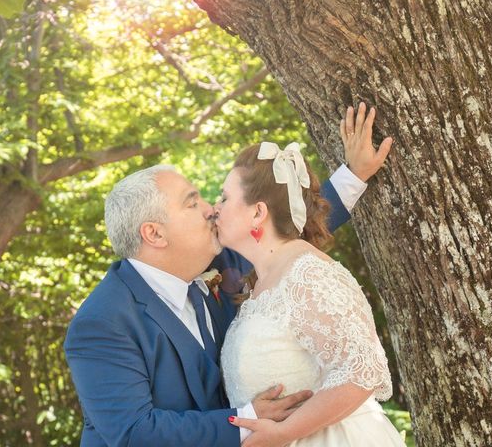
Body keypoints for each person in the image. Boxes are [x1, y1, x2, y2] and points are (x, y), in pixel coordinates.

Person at [63, 103, 392, 446]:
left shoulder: (222, 267)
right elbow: (134, 433)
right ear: (155, 234)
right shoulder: (102, 322)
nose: (210, 210)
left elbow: (279, 230)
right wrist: (246, 422)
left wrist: (354, 174)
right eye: (192, 203)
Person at [215, 104, 404, 446]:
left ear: (258, 213)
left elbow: (363, 368)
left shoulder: (308, 274)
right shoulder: (259, 281)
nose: (214, 209)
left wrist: (285, 432)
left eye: (224, 198)